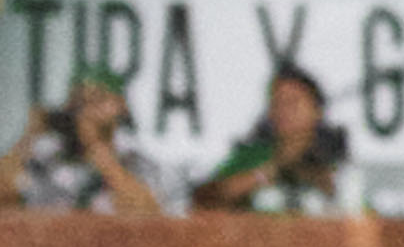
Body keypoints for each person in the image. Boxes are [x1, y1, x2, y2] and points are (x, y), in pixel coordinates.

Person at [192, 63, 358, 212]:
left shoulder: (335, 157)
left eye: (293, 103)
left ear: (317, 110)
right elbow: (202, 199)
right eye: (276, 103)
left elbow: (358, 212)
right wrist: (262, 176)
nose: (283, 111)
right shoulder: (252, 155)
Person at [0, 66, 168, 212]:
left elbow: (149, 212)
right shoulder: (50, 157)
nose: (88, 108)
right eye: (80, 101)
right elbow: (5, 193)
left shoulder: (134, 159)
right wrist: (29, 136)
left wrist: (95, 146)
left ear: (121, 105)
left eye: (99, 98)